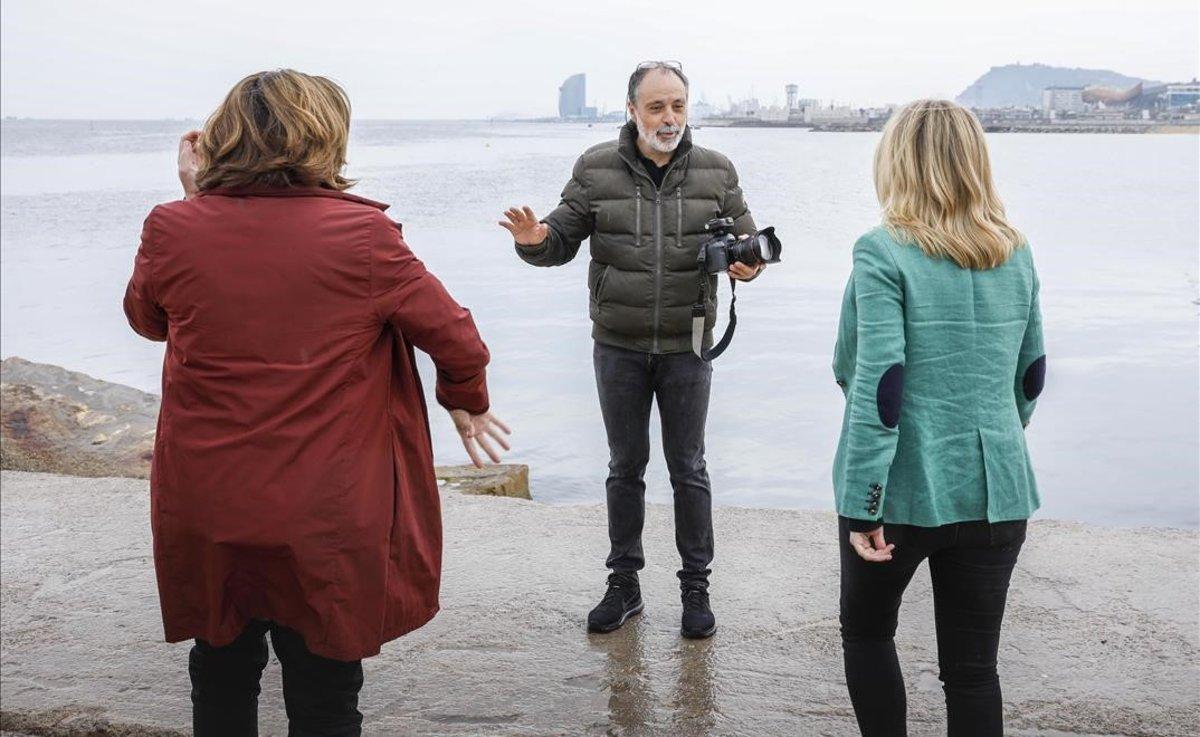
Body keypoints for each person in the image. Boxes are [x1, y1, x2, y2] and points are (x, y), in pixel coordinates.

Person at [123, 69, 510, 737]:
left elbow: (149, 319)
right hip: (324, 513)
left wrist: (192, 199)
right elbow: (457, 337)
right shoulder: (363, 238)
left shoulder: (171, 226)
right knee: (326, 687)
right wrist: (464, 397)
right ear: (323, 138)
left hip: (211, 500)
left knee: (220, 668)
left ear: (225, 139)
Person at [499, 61, 765, 639]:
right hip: (616, 344)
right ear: (632, 110)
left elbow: (746, 245)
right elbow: (561, 239)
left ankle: (696, 589)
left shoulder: (717, 170)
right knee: (626, 467)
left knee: (688, 468)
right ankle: (625, 586)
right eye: (656, 107)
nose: (668, 118)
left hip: (687, 345)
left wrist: (750, 265)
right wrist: (534, 242)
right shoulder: (596, 168)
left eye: (677, 106)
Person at [831, 99, 1046, 737]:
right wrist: (1000, 440)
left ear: (895, 162)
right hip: (997, 489)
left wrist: (864, 502)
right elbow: (1029, 376)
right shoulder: (1016, 249)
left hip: (900, 489)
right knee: (974, 670)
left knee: (868, 636)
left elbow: (874, 384)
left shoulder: (881, 252)